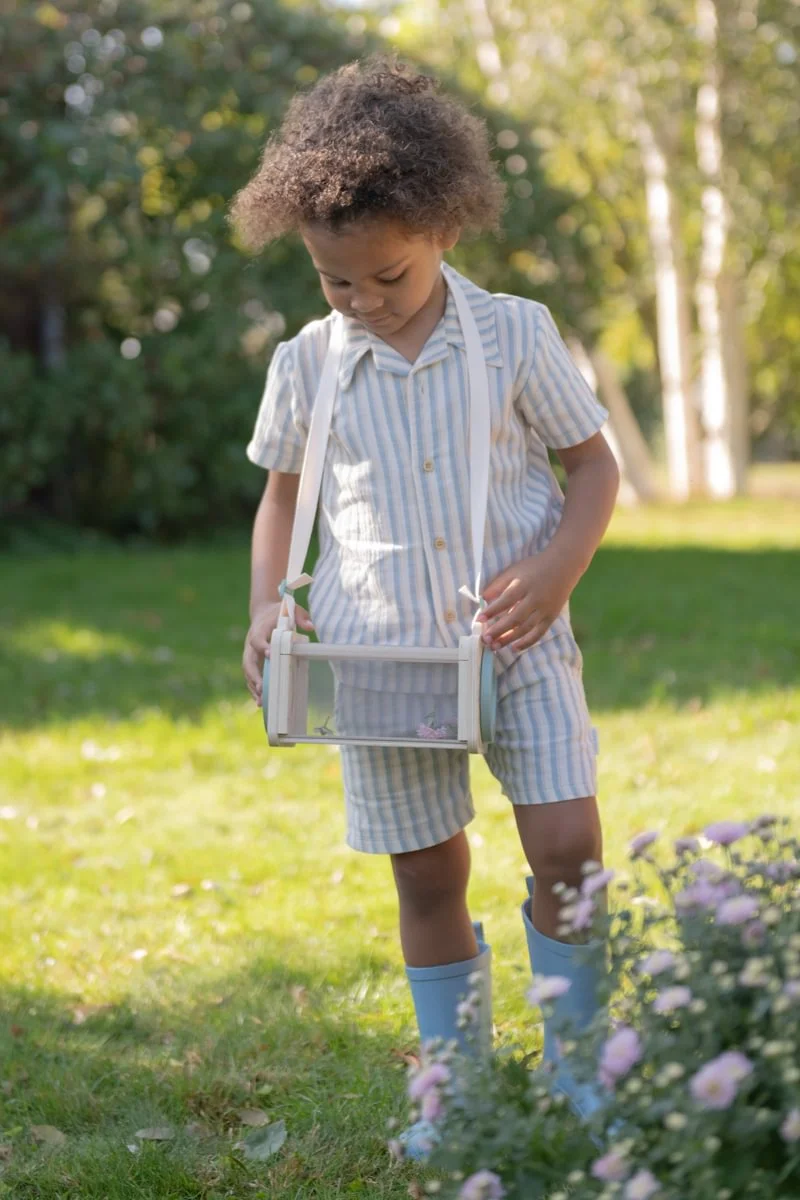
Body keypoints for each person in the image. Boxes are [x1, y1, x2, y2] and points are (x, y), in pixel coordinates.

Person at [230, 56, 620, 1158]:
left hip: (516, 636)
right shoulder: (307, 362)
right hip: (379, 658)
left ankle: (579, 1079)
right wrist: (268, 608)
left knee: (566, 846)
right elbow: (282, 497)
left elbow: (591, 467)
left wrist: (555, 573)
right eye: (334, 282)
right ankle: (455, 1092)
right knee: (427, 868)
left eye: (386, 277)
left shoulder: (512, 334)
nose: (361, 301)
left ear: (443, 229)